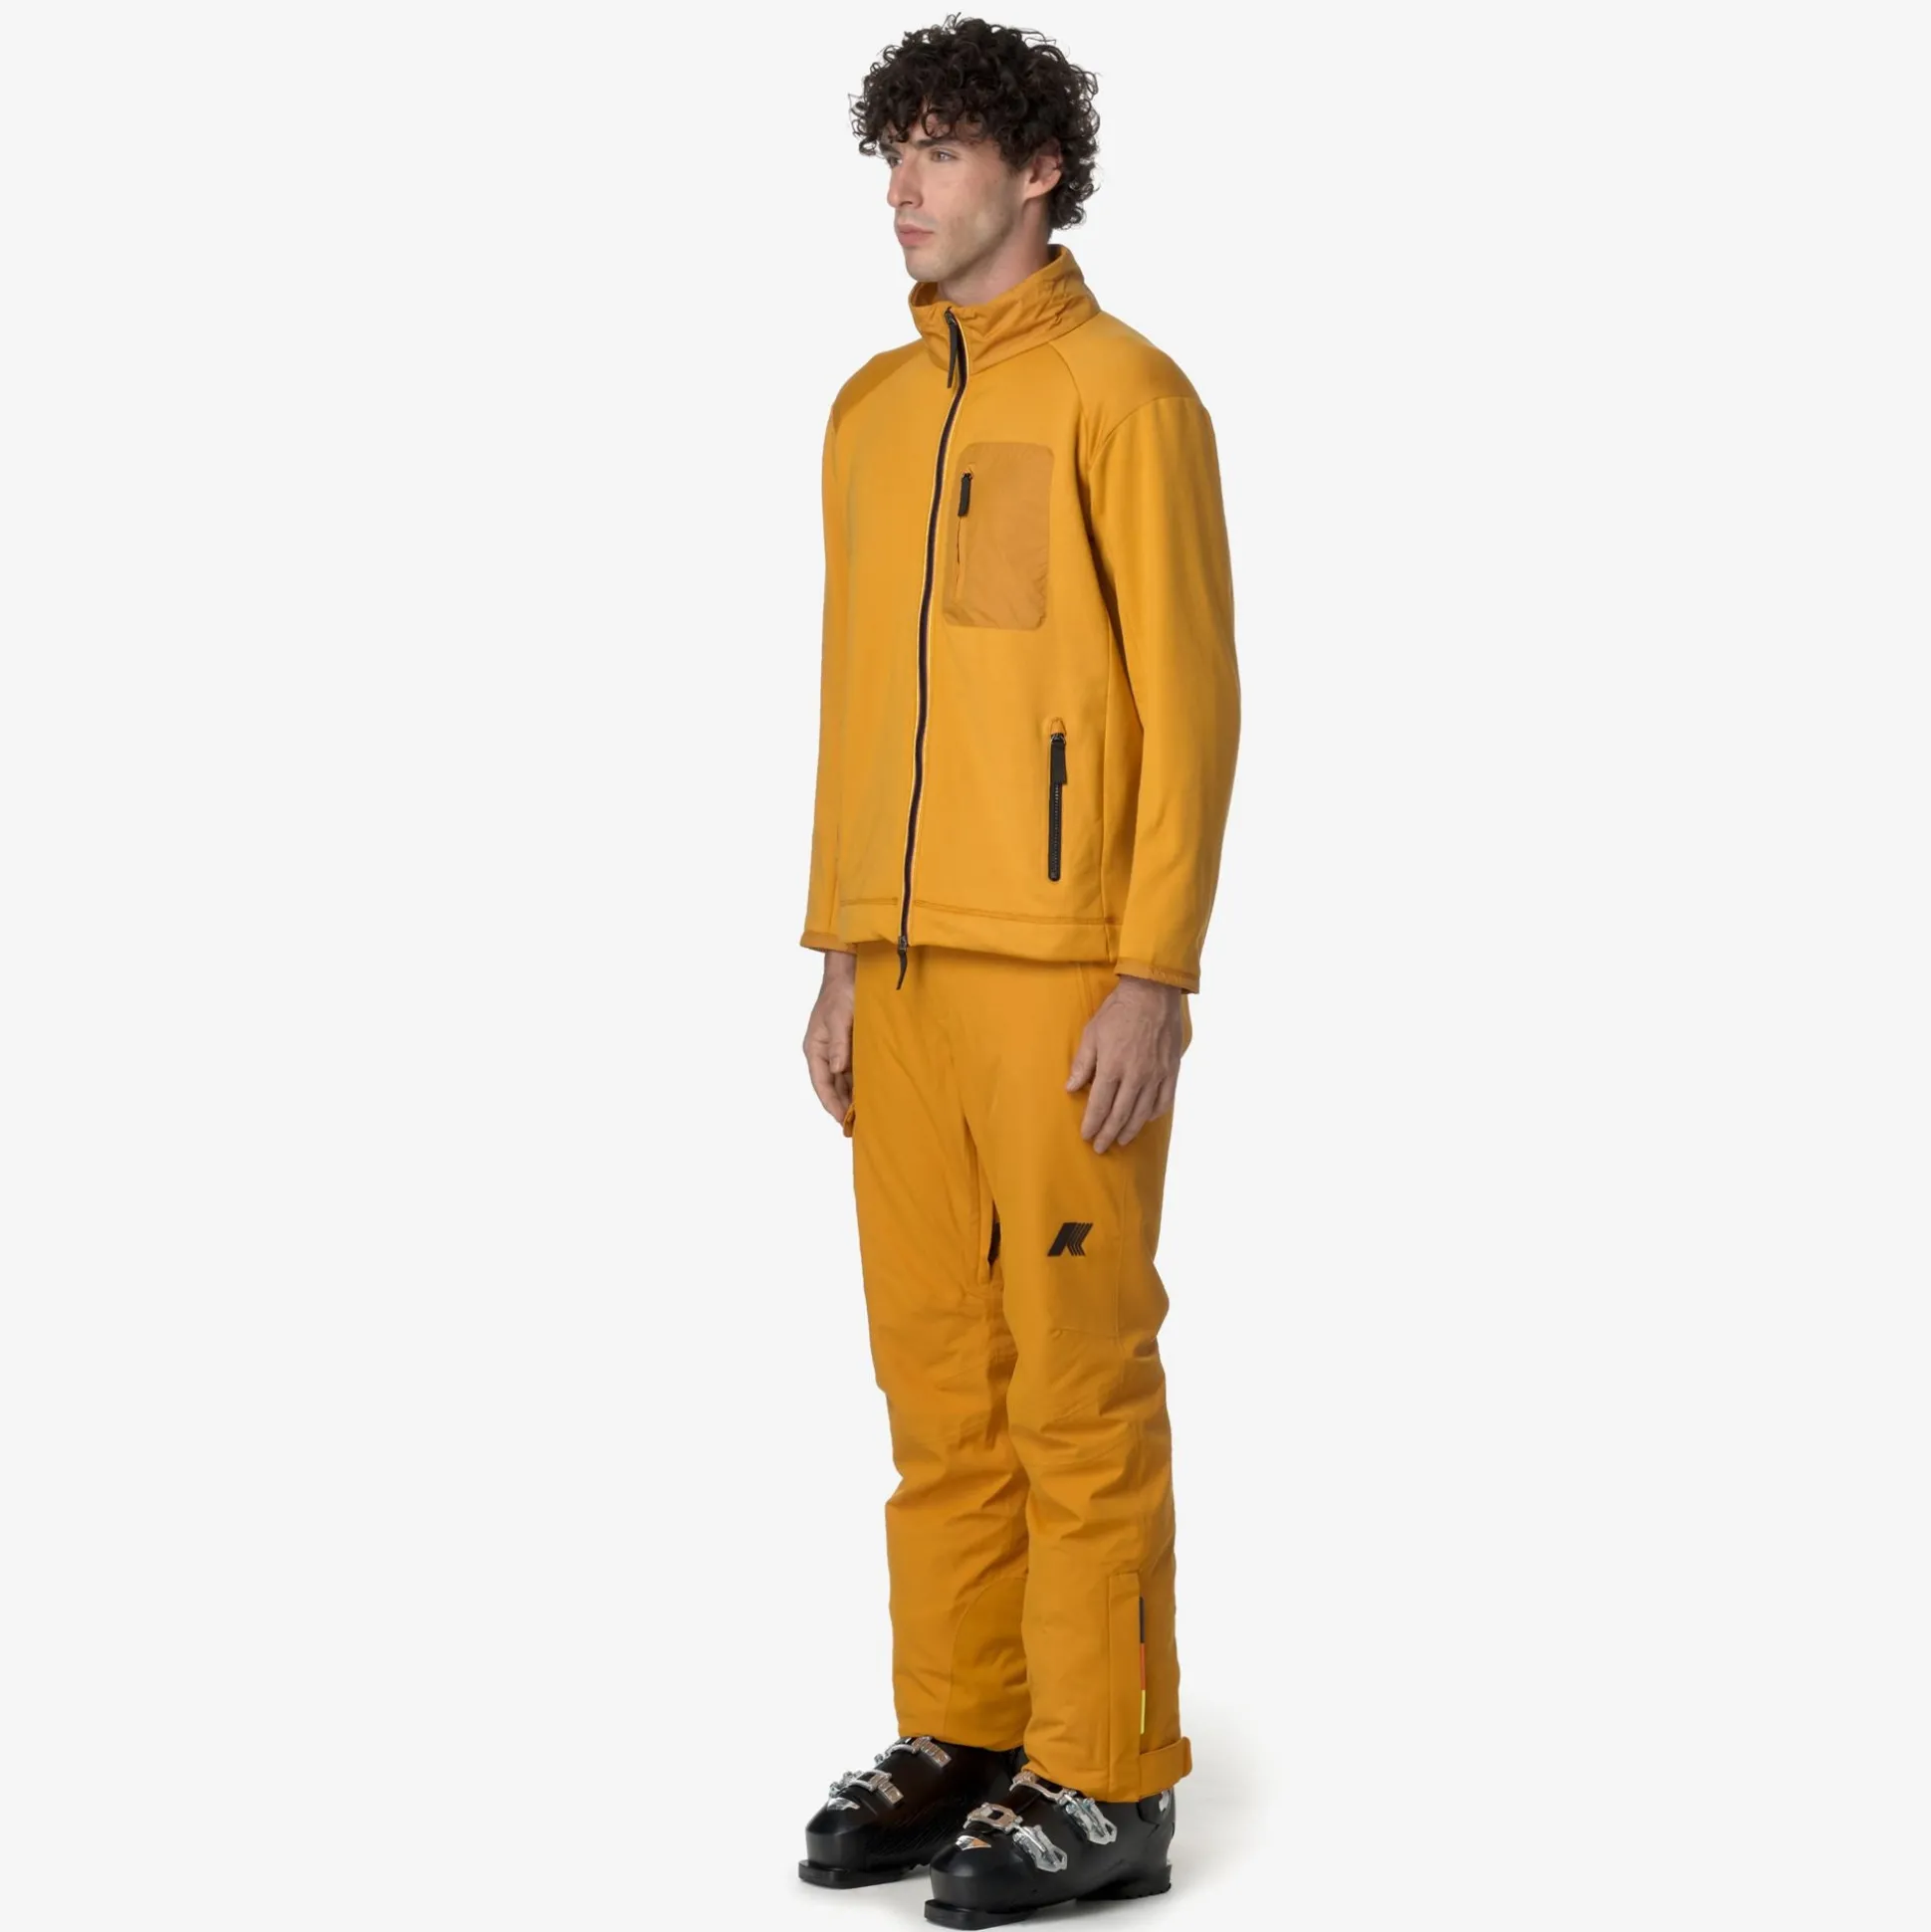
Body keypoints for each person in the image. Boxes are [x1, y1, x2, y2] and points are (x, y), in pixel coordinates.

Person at [795, 17, 1240, 1925]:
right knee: (938, 1379)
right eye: (891, 153)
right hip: (900, 977)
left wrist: (1155, 969)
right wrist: (838, 949)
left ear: (1037, 170)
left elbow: (1194, 703)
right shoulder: (869, 415)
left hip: (1066, 975)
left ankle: (1111, 1773)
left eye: (944, 152)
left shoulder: (1128, 399)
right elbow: (855, 705)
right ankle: (973, 1727)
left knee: (1074, 1373)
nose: (905, 189)